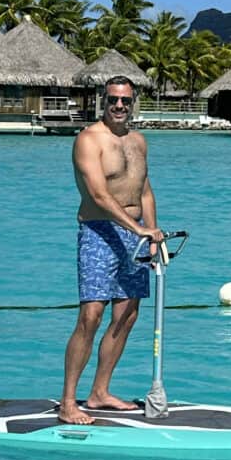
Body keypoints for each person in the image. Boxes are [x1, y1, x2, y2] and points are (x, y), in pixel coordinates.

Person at [57, 77, 165, 424]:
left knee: (127, 315)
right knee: (91, 316)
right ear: (103, 101)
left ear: (134, 104)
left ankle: (100, 392)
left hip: (136, 236)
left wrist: (152, 235)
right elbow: (99, 196)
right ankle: (68, 402)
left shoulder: (138, 141)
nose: (119, 106)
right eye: (113, 100)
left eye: (126, 101)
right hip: (99, 233)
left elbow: (144, 191)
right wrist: (138, 229)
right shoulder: (89, 140)